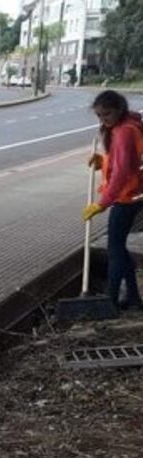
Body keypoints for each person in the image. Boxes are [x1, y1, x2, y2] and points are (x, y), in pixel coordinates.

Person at [84, 89, 143, 311]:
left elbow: (122, 174)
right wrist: (104, 161)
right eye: (99, 116)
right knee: (118, 248)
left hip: (127, 197)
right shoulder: (125, 126)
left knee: (115, 250)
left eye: (106, 114)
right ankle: (134, 300)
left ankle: (110, 301)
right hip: (132, 193)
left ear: (119, 109)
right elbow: (123, 161)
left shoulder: (125, 131)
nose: (103, 120)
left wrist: (102, 203)